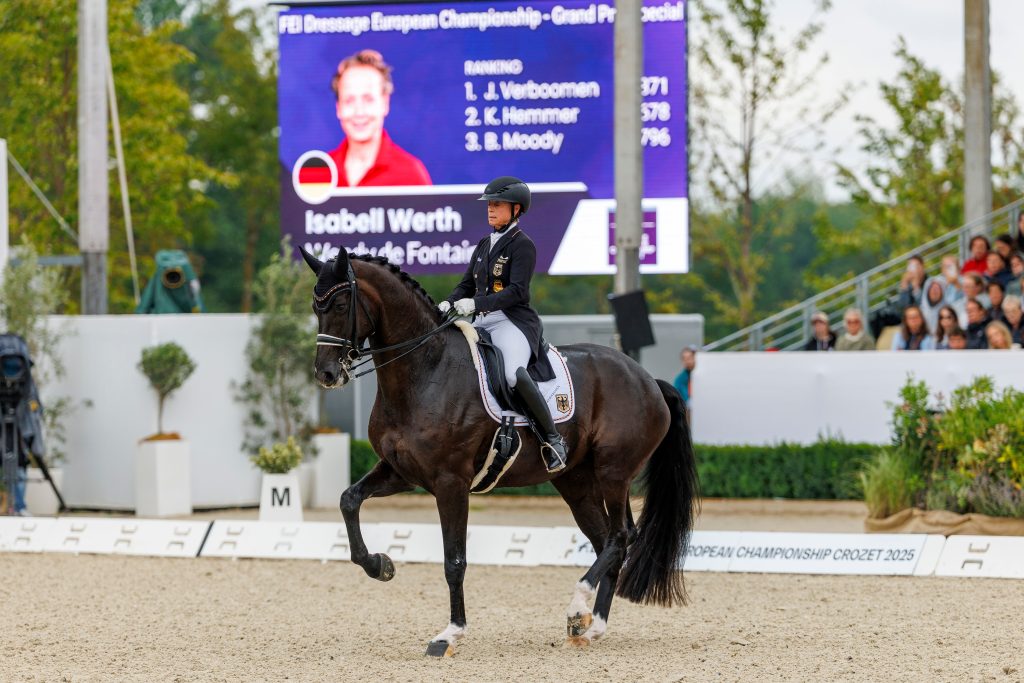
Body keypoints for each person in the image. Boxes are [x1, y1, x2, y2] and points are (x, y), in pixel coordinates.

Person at [439, 176, 566, 473]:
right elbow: (466, 284)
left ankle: (553, 439)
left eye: (497, 204)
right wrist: (448, 302)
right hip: (482, 321)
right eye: (489, 204)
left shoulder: (523, 245)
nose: (490, 209)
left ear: (516, 209)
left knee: (511, 374)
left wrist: (477, 304)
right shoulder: (484, 244)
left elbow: (518, 292)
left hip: (513, 321)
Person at [328, 49, 431, 187]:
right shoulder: (321, 171)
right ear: (338, 108)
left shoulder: (410, 174)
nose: (359, 112)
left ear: (385, 103)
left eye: (368, 99)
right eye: (349, 100)